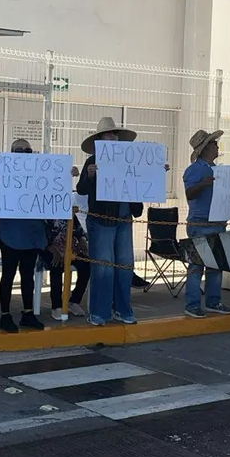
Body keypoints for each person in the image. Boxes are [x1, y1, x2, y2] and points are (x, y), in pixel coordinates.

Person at [76, 117, 167, 326]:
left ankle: (122, 309)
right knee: (104, 267)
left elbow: (142, 179)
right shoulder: (93, 161)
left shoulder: (129, 161)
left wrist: (157, 173)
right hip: (101, 221)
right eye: (109, 134)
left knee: (125, 265)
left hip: (124, 219)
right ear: (100, 139)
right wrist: (90, 177)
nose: (113, 137)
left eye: (115, 134)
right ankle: (99, 311)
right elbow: (81, 189)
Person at [0, 139, 46, 333]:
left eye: (28, 150)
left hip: (32, 233)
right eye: (19, 150)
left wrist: (65, 176)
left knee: (27, 275)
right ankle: (5, 316)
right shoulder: (4, 174)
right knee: (8, 274)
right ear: (11, 152)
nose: (24, 153)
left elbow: (51, 189)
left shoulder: (38, 175)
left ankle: (28, 313)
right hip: (10, 233)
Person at [181, 129, 230, 318]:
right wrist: (203, 184)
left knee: (216, 265)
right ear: (205, 149)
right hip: (201, 223)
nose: (217, 146)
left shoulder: (216, 169)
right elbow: (189, 194)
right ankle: (193, 304)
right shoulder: (194, 170)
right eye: (213, 144)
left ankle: (213, 301)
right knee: (197, 265)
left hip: (217, 221)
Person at [43, 211, 91, 319]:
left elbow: (79, 231)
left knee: (85, 264)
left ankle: (74, 301)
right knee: (56, 265)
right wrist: (52, 249)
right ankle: (57, 306)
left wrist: (82, 240)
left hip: (70, 248)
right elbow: (39, 235)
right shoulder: (43, 210)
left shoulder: (67, 210)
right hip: (49, 249)